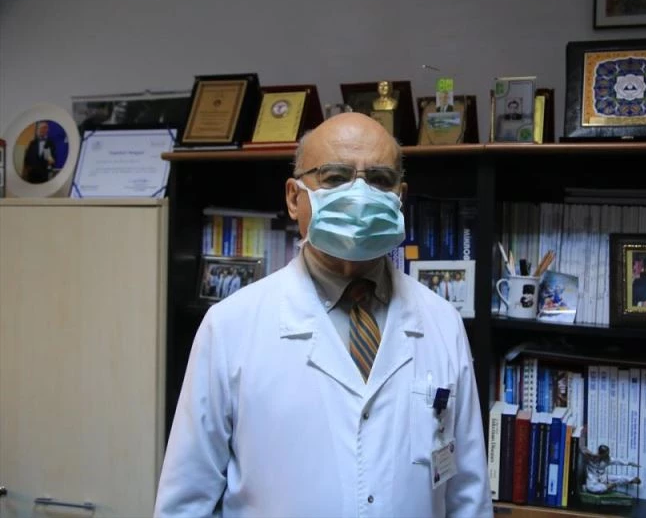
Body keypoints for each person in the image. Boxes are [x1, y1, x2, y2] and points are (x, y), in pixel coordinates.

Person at [154, 112, 492, 517]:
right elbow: (187, 500)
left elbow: (467, 494)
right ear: (294, 198)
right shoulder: (230, 326)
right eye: (335, 177)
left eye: (380, 180)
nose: (360, 196)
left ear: (399, 197)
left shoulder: (442, 322)